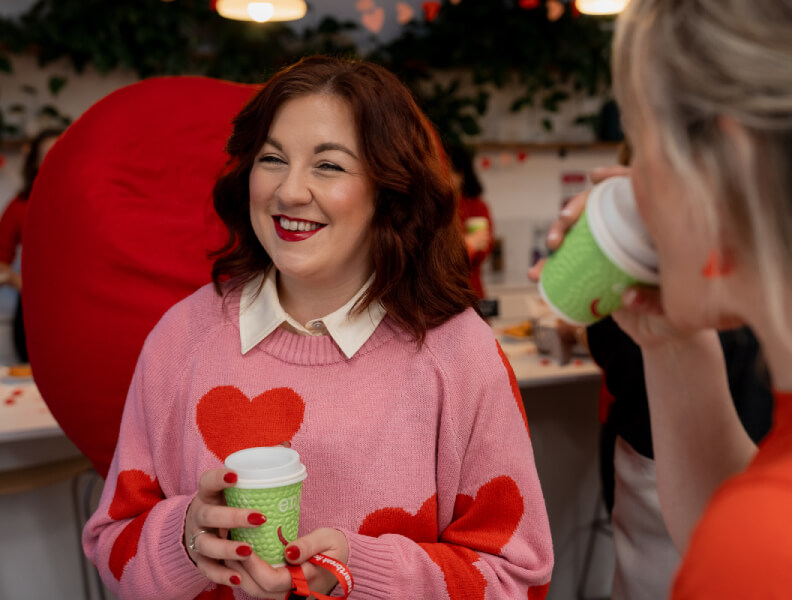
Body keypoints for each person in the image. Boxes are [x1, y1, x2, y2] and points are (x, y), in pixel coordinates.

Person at [82, 56, 553, 600]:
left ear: (389, 189)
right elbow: (112, 548)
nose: (289, 191)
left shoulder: (458, 354)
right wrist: (185, 539)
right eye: (272, 158)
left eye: (328, 166)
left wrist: (362, 573)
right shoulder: (182, 337)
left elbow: (519, 578)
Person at [532, 0, 792, 596]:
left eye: (640, 140)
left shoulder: (765, 540)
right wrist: (671, 340)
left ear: (727, 163)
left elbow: (751, 547)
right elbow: (724, 523)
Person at [0, 128, 61, 363]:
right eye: (48, 154)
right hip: (34, 313)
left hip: (82, 308)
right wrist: (32, 289)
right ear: (35, 162)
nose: (55, 160)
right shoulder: (20, 207)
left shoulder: (89, 202)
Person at [448, 144, 493, 299]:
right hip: (445, 292)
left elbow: (482, 250)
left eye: (452, 171)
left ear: (463, 174)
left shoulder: (476, 207)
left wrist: (465, 247)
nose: (446, 176)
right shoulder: (432, 207)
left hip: (471, 288)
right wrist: (467, 245)